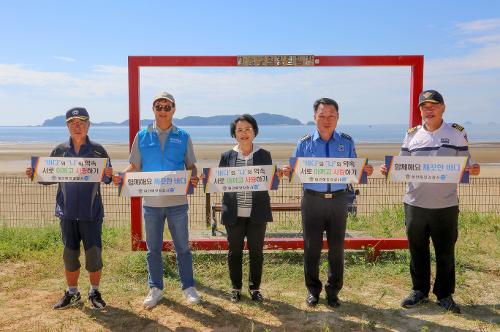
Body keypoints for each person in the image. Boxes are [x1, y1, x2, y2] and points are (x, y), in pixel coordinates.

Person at [380, 90, 480, 314]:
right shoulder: (412, 135)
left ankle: (444, 294)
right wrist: (389, 169)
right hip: (414, 203)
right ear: (420, 110)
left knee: (445, 251)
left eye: (433, 105)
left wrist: (474, 168)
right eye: (424, 106)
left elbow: (467, 165)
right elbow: (402, 165)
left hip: (445, 204)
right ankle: (419, 291)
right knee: (417, 250)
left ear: (443, 107)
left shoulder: (456, 133)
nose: (429, 109)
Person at [282, 98, 373, 308]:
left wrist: (363, 171)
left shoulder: (347, 141)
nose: (327, 120)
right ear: (314, 117)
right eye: (322, 116)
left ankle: (334, 291)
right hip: (312, 200)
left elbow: (354, 172)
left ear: (338, 117)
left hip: (339, 200)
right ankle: (313, 290)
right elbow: (293, 170)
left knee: (336, 248)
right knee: (311, 248)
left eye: (331, 115)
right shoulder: (304, 143)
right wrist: (287, 171)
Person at [113, 92, 200, 309]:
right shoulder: (142, 136)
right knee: (153, 249)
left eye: (167, 107)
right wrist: (122, 177)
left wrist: (195, 177)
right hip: (151, 204)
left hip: (177, 202)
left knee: (182, 248)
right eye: (158, 107)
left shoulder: (184, 135)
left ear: (174, 109)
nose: (163, 110)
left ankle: (188, 287)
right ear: (153, 110)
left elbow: (191, 166)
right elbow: (134, 166)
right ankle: (156, 289)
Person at [25, 107, 113, 310]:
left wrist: (109, 174)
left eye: (82, 122)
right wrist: (35, 173)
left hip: (91, 213)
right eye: (73, 123)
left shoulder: (99, 150)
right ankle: (72, 293)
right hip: (67, 212)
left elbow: (107, 178)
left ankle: (94, 292)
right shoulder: (59, 150)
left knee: (93, 254)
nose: (78, 126)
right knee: (70, 255)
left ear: (89, 125)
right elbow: (48, 178)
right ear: (67, 126)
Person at [218, 114, 273, 303]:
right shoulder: (226, 156)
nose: (244, 133)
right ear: (234, 133)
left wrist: (278, 175)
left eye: (247, 129)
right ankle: (235, 289)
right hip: (234, 213)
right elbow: (220, 183)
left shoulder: (264, 154)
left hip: (257, 213)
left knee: (256, 252)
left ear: (254, 131)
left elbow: (269, 181)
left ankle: (255, 289)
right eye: (239, 130)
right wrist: (208, 180)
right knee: (234, 252)